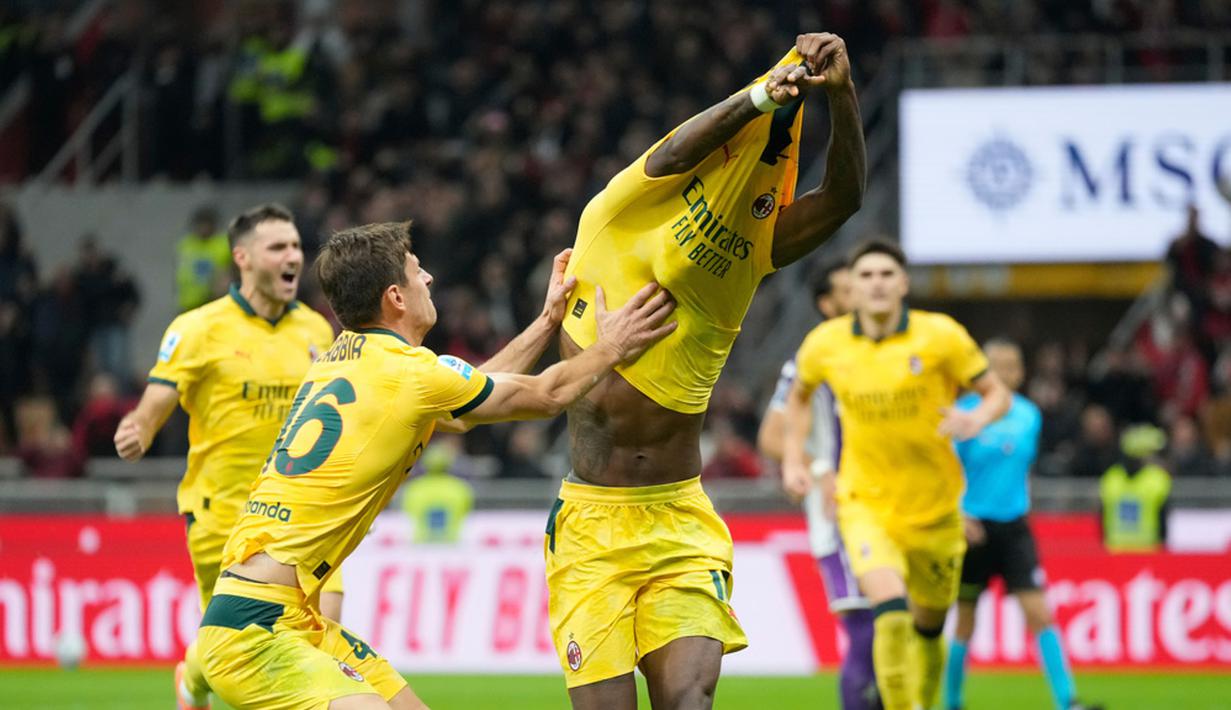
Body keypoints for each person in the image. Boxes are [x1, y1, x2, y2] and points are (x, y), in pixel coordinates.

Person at [198, 222, 676, 710]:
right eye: (416, 271)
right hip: (254, 633)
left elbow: (466, 395)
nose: (428, 279)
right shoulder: (410, 372)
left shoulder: (344, 363)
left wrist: (547, 321)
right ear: (395, 298)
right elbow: (546, 394)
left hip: (286, 615)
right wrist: (612, 346)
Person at [555, 32, 865, 709]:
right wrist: (758, 94)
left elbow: (841, 199)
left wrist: (839, 97)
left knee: (688, 700)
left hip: (679, 521)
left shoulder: (754, 245)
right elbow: (675, 150)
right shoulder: (614, 214)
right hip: (589, 527)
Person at [113, 203, 342, 710]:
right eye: (278, 247)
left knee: (321, 626)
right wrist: (140, 428)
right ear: (242, 256)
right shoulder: (198, 328)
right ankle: (193, 678)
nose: (293, 257)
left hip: (301, 513)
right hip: (224, 511)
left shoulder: (316, 331)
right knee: (234, 646)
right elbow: (157, 398)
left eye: (297, 247)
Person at [783, 239, 1011, 710]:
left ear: (904, 283)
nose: (877, 283)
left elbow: (997, 393)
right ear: (853, 288)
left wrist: (977, 418)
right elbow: (798, 397)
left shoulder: (941, 336)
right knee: (888, 613)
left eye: (887, 274)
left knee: (928, 628)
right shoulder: (827, 343)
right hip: (865, 505)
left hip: (935, 510)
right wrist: (793, 459)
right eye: (866, 276)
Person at [943, 339, 1101, 710]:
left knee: (1039, 613)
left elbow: (1017, 469)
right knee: (964, 621)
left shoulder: (1029, 415)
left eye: (1010, 366)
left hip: (1014, 529)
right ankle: (952, 703)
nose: (1002, 372)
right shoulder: (962, 414)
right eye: (994, 365)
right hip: (972, 531)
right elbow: (945, 473)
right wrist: (959, 514)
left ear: (1020, 372)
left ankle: (1068, 702)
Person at [758, 260, 879, 710]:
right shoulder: (810, 362)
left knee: (897, 632)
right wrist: (823, 467)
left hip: (894, 506)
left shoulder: (888, 352)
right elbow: (771, 436)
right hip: (841, 513)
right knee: (866, 631)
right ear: (828, 304)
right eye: (850, 289)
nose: (863, 295)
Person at [1100, 424, 1171, 552]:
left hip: (1117, 552)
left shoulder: (1111, 477)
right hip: (1145, 553)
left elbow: (1102, 516)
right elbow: (1163, 521)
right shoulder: (1157, 479)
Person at [176, 207, 231, 313]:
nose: (203, 228)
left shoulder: (222, 245)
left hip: (211, 302)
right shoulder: (186, 244)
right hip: (187, 302)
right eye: (200, 224)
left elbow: (227, 274)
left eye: (206, 224)